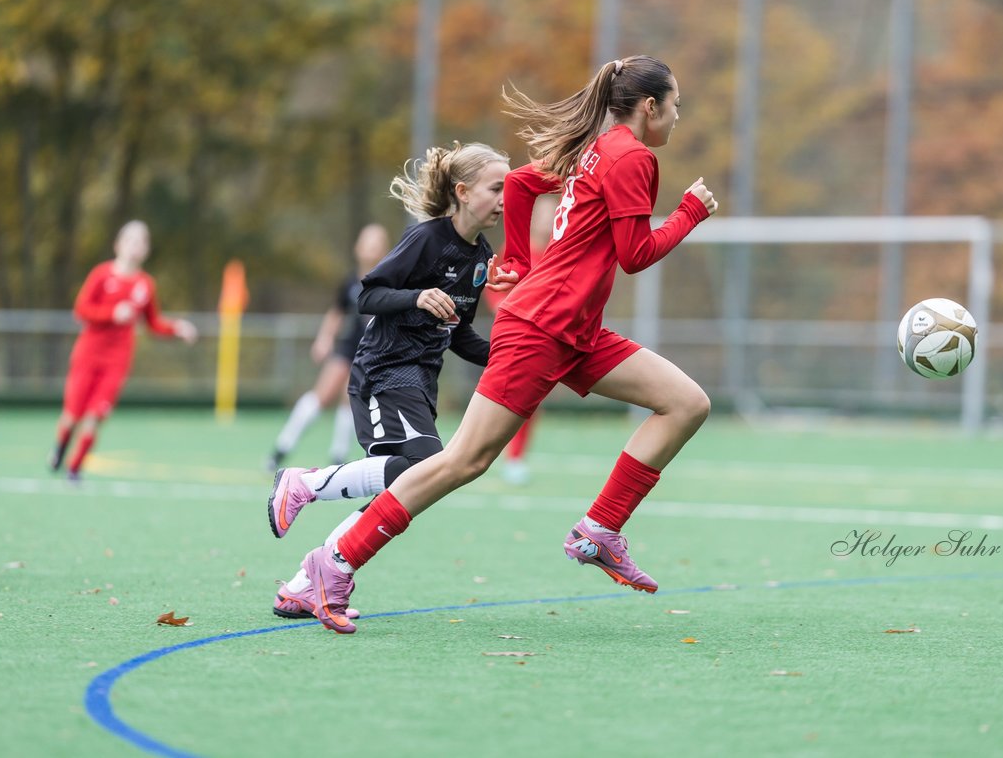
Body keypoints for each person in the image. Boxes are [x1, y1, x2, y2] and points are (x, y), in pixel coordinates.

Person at [290, 54, 718, 634]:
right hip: (543, 327)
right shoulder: (633, 156)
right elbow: (635, 255)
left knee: (686, 403)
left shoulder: (596, 148)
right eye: (675, 106)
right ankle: (332, 563)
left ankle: (599, 530)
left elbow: (517, 184)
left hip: (575, 330)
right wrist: (690, 212)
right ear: (650, 107)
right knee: (465, 460)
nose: (677, 117)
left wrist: (517, 257)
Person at [267, 142, 509, 619]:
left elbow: (459, 334)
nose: (506, 199)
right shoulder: (425, 239)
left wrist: (514, 357)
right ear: (462, 192)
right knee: (424, 469)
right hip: (383, 373)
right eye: (497, 188)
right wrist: (417, 297)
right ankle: (304, 483)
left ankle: (302, 585)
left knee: (403, 487)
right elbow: (370, 294)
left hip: (420, 381)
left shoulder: (481, 258)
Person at [49, 220, 198, 479]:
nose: (135, 247)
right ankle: (60, 448)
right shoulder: (101, 274)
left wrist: (177, 328)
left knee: (96, 415)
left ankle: (74, 470)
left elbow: (153, 324)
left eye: (141, 242)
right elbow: (81, 310)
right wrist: (112, 313)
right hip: (88, 354)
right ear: (118, 244)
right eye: (130, 240)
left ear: (146, 250)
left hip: (117, 361)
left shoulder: (145, 285)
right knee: (72, 415)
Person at [267, 224, 391, 471]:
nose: (371, 247)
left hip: (372, 352)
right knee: (321, 395)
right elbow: (336, 313)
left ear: (385, 250)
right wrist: (324, 339)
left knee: (350, 400)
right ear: (357, 247)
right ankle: (280, 450)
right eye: (367, 241)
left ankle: (337, 458)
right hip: (348, 348)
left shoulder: (389, 280)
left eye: (377, 243)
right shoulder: (350, 282)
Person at [484, 192, 560, 485]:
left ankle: (515, 458)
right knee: (499, 396)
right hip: (511, 334)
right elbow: (494, 284)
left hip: (542, 339)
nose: (546, 220)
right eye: (541, 214)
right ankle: (483, 450)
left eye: (552, 215)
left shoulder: (559, 251)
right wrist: (499, 306)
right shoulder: (517, 248)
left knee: (531, 400)